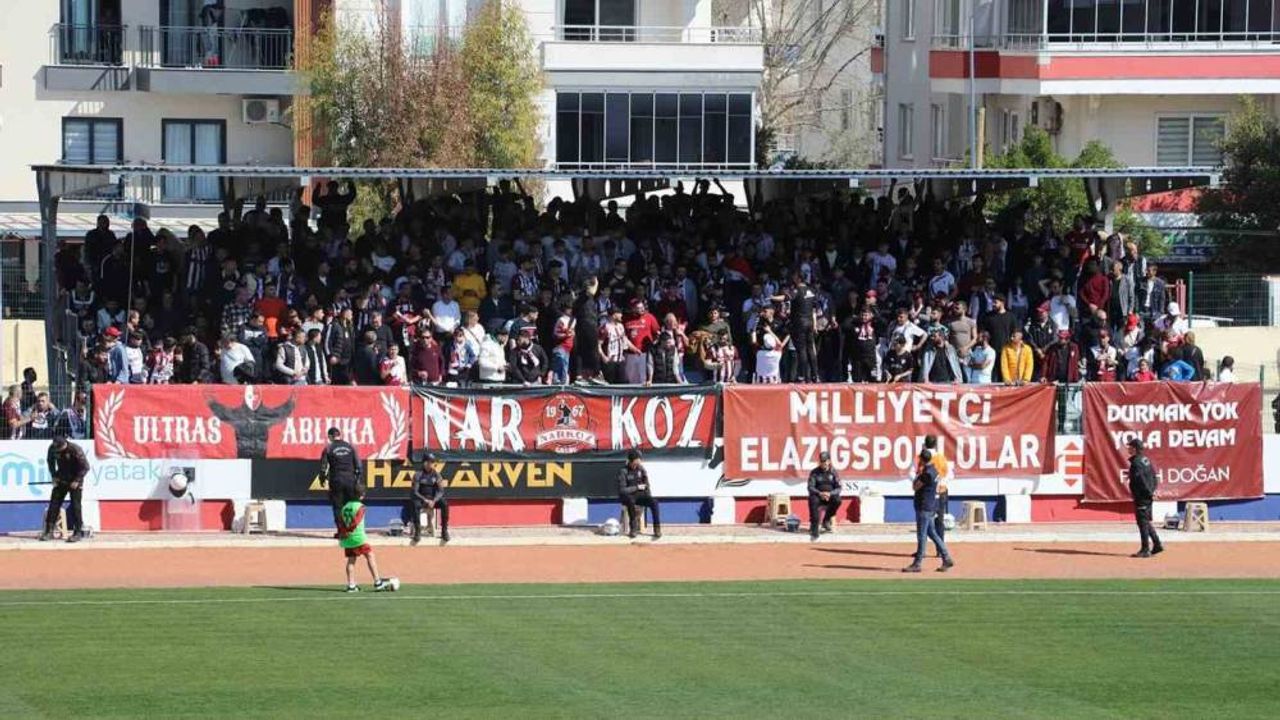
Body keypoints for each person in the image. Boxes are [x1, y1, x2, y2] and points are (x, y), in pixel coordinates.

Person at [336, 484, 394, 593]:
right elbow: (356, 521)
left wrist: (343, 533)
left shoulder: (345, 506)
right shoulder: (361, 507)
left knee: (351, 560)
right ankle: (377, 582)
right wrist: (349, 530)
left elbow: (341, 522)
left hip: (347, 539)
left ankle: (351, 585)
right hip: (358, 538)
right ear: (362, 495)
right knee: (370, 556)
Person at [904, 448, 954, 573]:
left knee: (922, 535)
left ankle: (917, 563)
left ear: (922, 460)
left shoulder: (927, 474)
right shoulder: (934, 470)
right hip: (930, 505)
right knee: (932, 533)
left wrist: (917, 476)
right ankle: (946, 557)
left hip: (924, 506)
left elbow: (915, 486)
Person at [41, 434, 89, 542]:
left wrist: (77, 480)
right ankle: (49, 531)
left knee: (76, 506)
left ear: (64, 444)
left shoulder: (75, 449)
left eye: (59, 448)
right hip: (61, 477)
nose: (57, 451)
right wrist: (54, 476)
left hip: (75, 479)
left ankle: (78, 532)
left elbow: (85, 467)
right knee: (54, 504)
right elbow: (50, 461)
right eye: (56, 449)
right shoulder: (52, 448)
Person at [1126, 438, 1164, 558]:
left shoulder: (1137, 462)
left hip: (1142, 496)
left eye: (1130, 447)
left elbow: (1142, 480)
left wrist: (1149, 493)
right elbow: (1153, 476)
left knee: (1142, 522)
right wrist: (1153, 490)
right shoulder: (1145, 459)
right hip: (1146, 495)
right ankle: (1157, 544)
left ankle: (1145, 549)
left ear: (1135, 449)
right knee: (1145, 521)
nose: (1128, 448)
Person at [320, 427, 362, 534]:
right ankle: (352, 531)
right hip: (350, 480)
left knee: (338, 506)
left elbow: (323, 468)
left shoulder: (328, 448)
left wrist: (322, 479)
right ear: (339, 435)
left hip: (336, 480)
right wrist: (357, 481)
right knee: (351, 506)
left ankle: (342, 532)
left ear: (330, 437)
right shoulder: (350, 447)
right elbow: (359, 466)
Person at [618, 450, 661, 540]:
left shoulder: (641, 469)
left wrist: (648, 495)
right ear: (630, 461)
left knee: (654, 502)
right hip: (628, 497)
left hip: (640, 495)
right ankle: (633, 528)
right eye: (634, 463)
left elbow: (647, 484)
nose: (636, 465)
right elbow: (622, 490)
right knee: (630, 501)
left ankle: (657, 528)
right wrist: (636, 487)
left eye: (637, 463)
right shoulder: (623, 471)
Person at [407, 454, 450, 545]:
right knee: (414, 504)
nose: (431, 464)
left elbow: (441, 491)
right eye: (430, 462)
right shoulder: (418, 475)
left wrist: (434, 500)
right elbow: (415, 492)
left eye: (432, 462)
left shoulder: (437, 475)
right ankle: (417, 532)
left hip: (433, 500)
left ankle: (444, 531)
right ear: (424, 463)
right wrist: (425, 500)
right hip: (421, 499)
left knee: (444, 503)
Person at [806, 451, 841, 540]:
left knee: (837, 500)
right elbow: (810, 487)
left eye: (824, 461)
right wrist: (820, 493)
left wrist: (830, 494)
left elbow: (839, 488)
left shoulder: (834, 472)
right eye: (821, 461)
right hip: (818, 495)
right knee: (813, 500)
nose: (822, 463)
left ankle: (826, 520)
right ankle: (815, 529)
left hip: (829, 496)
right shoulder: (814, 472)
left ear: (829, 461)